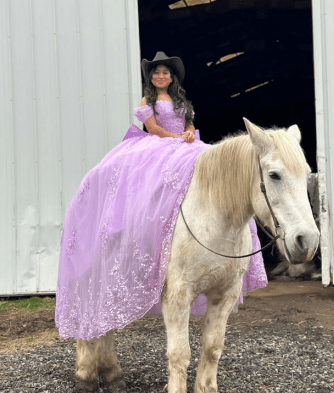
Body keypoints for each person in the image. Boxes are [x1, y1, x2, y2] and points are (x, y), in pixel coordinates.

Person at [55, 52, 267, 341]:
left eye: (165, 72)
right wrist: (177, 139)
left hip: (186, 144)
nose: (160, 76)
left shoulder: (183, 102)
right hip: (158, 146)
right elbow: (152, 129)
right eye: (156, 72)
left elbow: (189, 123)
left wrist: (190, 134)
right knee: (154, 183)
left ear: (172, 77)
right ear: (151, 77)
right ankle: (151, 224)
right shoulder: (148, 102)